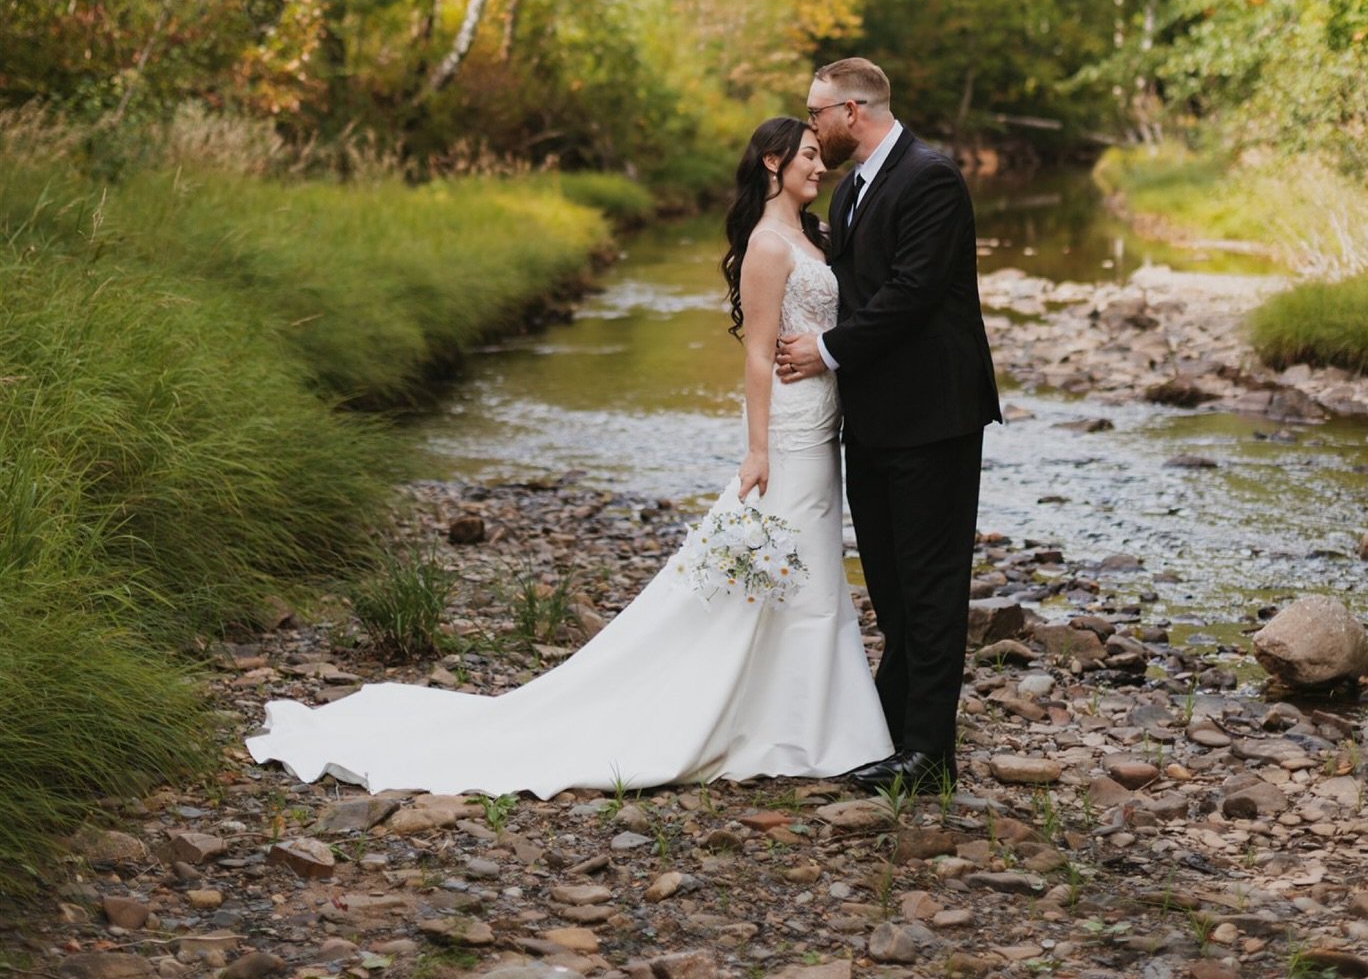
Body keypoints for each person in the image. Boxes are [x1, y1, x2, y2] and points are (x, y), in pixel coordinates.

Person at [245, 117, 892, 797]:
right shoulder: (766, 244)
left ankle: (805, 719)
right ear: (772, 161)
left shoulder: (813, 234)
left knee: (810, 564)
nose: (821, 167)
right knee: (783, 570)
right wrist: (757, 449)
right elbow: (758, 352)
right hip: (786, 430)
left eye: (822, 156)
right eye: (810, 156)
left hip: (823, 424)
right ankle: (793, 728)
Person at [777, 57, 1001, 793]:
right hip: (872, 421)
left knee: (932, 586)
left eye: (816, 114)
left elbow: (910, 294)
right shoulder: (852, 192)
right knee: (894, 587)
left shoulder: (929, 177)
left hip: (933, 418)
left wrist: (826, 351)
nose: (812, 127)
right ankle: (894, 729)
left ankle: (930, 754)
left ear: (851, 110)